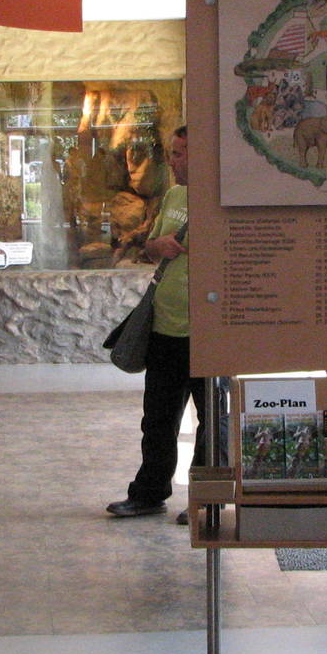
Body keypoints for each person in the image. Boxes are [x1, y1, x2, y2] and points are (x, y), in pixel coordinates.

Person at [106, 126, 219, 523]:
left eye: (181, 153)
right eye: (172, 152)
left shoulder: (226, 199)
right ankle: (149, 493)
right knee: (157, 420)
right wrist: (159, 244)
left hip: (210, 332)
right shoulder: (173, 195)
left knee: (212, 421)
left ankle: (206, 499)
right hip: (165, 328)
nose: (173, 161)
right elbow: (152, 246)